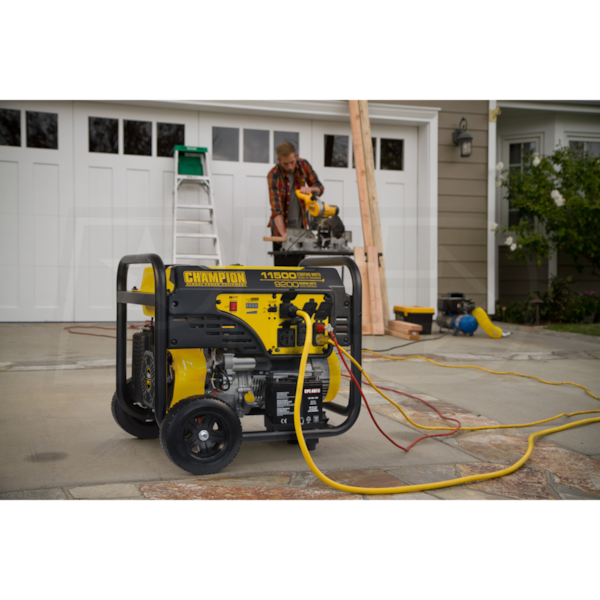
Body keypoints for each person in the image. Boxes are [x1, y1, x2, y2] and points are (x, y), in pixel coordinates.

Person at [267, 142, 324, 265]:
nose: (289, 166)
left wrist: (310, 189)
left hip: (300, 229)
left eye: (292, 162)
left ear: (296, 156)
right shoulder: (273, 175)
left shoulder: (304, 165)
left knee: (300, 269)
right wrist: (284, 235)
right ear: (278, 160)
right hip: (281, 231)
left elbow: (319, 188)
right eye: (285, 163)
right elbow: (276, 209)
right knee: (282, 272)